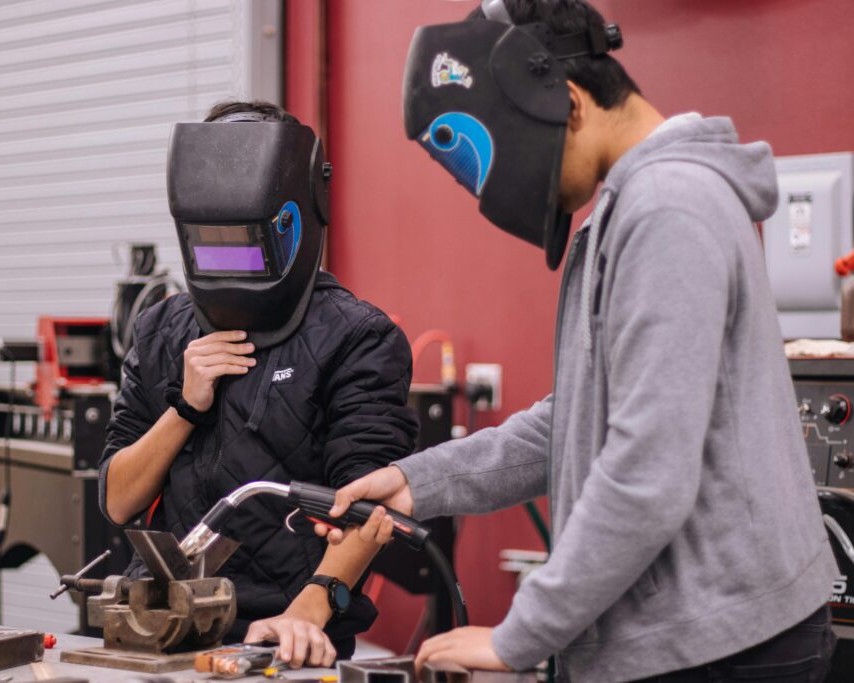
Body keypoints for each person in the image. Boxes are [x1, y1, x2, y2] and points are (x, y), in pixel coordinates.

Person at [318, 1, 838, 681]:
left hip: (721, 645)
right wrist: (419, 481)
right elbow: (577, 422)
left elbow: (646, 471)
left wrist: (519, 636)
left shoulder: (669, 209)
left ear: (565, 103)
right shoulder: (633, 207)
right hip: (694, 629)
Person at [99, 100, 418, 667]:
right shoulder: (160, 330)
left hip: (282, 636)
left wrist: (309, 609)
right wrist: (185, 407)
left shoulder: (358, 337)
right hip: (159, 627)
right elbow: (119, 500)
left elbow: (371, 511)